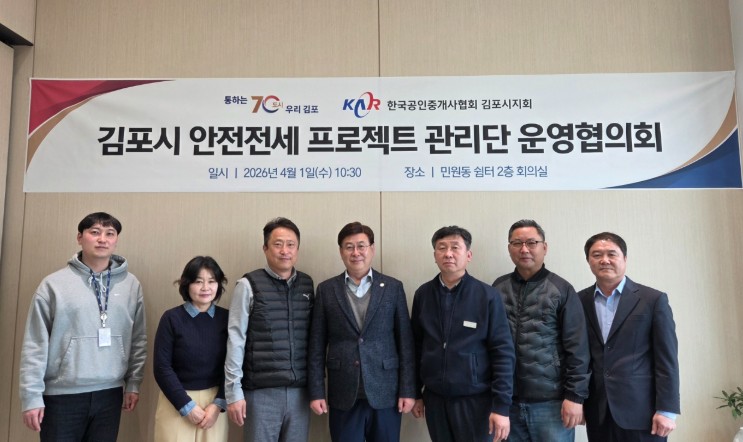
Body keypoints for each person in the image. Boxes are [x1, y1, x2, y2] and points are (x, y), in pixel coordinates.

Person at [19, 212, 147, 442]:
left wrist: (133, 383)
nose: (102, 239)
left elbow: (138, 338)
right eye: (95, 232)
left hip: (110, 394)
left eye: (110, 234)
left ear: (116, 240)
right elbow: (35, 344)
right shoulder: (53, 285)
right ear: (80, 237)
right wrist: (31, 396)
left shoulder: (131, 284)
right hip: (61, 395)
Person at [307, 221, 416, 442]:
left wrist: (408, 389)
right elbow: (316, 345)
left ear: (372, 249)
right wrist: (316, 392)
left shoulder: (393, 288)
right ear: (341, 251)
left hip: (386, 392)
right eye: (349, 247)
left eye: (361, 246)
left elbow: (405, 344)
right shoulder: (327, 290)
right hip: (343, 392)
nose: (355, 252)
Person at [411, 225, 515, 442]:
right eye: (442, 248)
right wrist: (415, 392)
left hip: (476, 401)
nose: (448, 254)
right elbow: (416, 347)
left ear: (468, 255)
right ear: (435, 255)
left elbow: (503, 353)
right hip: (435, 399)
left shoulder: (487, 296)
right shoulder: (423, 294)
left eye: (455, 247)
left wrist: (501, 407)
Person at [492, 219, 590, 442]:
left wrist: (575, 396)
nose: (524, 249)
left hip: (551, 403)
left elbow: (578, 348)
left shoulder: (562, 289)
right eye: (517, 243)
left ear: (544, 247)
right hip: (507, 402)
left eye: (531, 242)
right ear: (509, 248)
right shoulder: (497, 288)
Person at [577, 232, 680, 442]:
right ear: (588, 261)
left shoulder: (652, 300)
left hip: (643, 413)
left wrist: (667, 410)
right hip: (598, 412)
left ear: (624, 258)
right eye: (597, 255)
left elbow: (667, 359)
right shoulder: (578, 301)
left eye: (611, 254)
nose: (604, 260)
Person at [225, 217, 315, 442]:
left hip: (300, 393)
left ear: (297, 249)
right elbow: (236, 339)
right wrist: (233, 392)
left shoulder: (307, 284)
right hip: (261, 393)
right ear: (265, 248)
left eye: (291, 244)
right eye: (278, 244)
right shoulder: (248, 285)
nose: (285, 250)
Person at [153, 256, 229, 441]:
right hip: (176, 401)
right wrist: (187, 406)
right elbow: (162, 368)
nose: (205, 287)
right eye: (198, 281)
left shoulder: (227, 319)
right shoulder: (171, 318)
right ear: (186, 284)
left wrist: (218, 404)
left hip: (214, 405)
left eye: (212, 281)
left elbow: (234, 365)